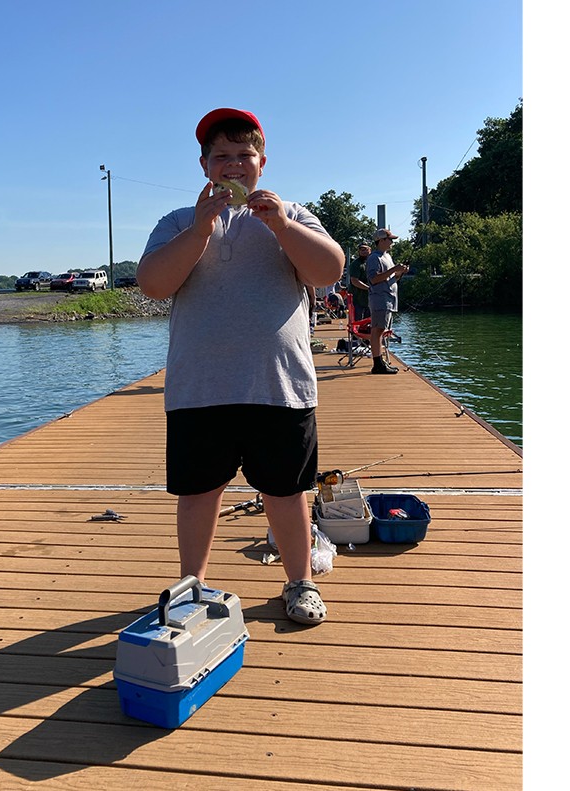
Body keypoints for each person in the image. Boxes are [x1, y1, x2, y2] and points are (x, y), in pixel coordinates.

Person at [136, 107, 345, 625]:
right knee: (198, 492)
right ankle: (193, 586)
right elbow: (154, 284)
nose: (233, 165)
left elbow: (328, 269)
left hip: (279, 387)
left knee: (287, 492)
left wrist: (278, 225)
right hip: (199, 389)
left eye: (243, 155)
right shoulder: (178, 222)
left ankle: (300, 583)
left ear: (262, 162)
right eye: (221, 156)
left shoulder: (292, 215)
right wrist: (201, 229)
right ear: (205, 166)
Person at [365, 229, 409, 374]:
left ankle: (381, 362)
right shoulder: (374, 258)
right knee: (377, 331)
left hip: (388, 299)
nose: (392, 242)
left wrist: (399, 273)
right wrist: (394, 270)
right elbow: (374, 279)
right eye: (390, 239)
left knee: (382, 330)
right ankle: (377, 364)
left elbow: (390, 278)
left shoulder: (387, 257)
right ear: (382, 240)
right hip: (380, 299)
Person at [348, 243, 371, 321]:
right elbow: (354, 281)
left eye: (365, 249)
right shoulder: (356, 264)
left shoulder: (372, 263)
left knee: (369, 321)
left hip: (370, 299)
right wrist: (369, 288)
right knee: (357, 321)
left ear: (370, 250)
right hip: (357, 300)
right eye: (361, 250)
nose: (363, 251)